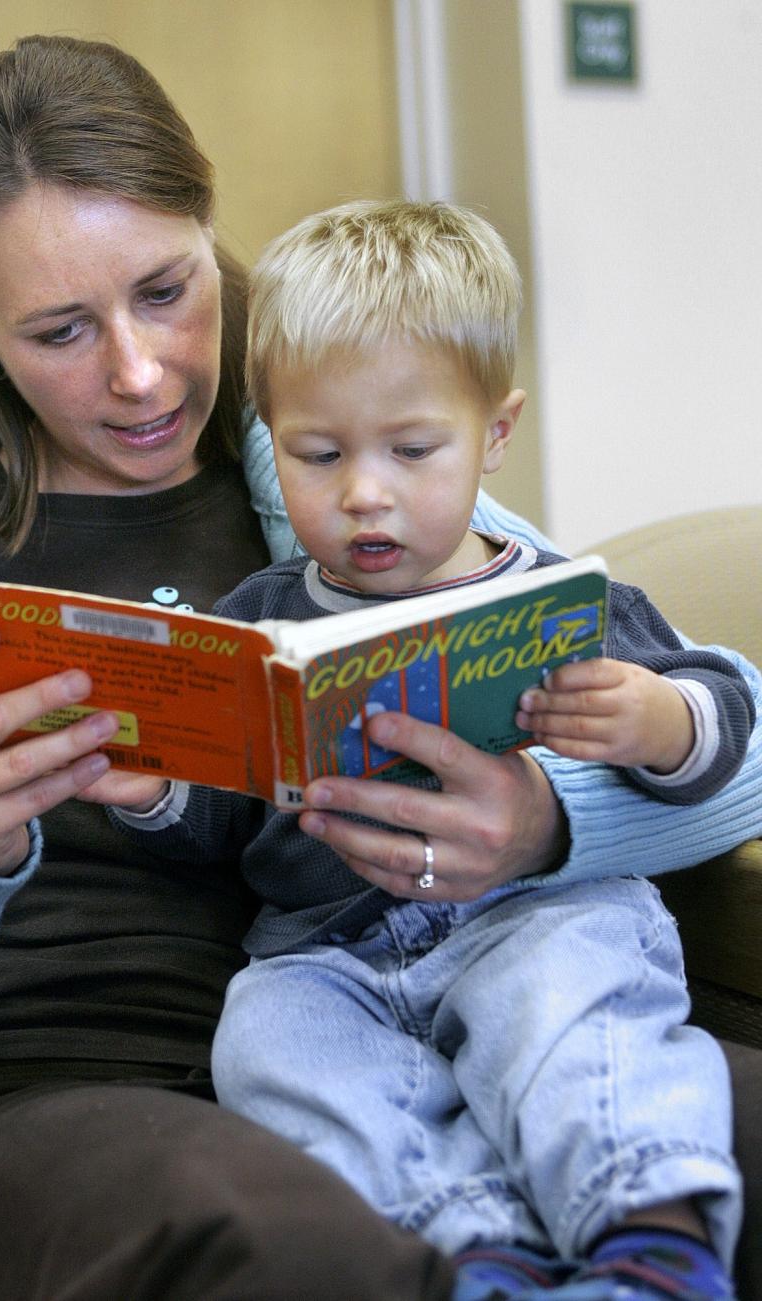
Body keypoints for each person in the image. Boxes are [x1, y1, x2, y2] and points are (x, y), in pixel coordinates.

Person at [0, 34, 760, 1301]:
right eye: (61, 329)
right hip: (45, 1088)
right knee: (292, 1250)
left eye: (163, 290)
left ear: (212, 236)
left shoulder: (340, 477)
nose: (139, 372)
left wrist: (540, 821)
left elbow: (705, 728)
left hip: (413, 1021)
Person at [107, 200, 750, 1301]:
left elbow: (723, 701)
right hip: (330, 956)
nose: (366, 490)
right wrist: (156, 787)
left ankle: (651, 1232)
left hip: (524, 915)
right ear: (269, 434)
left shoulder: (558, 594)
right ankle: (473, 1246)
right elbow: (220, 812)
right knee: (262, 1034)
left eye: (413, 449)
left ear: (495, 434)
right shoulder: (260, 615)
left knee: (578, 983)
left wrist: (660, 721)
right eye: (318, 453)